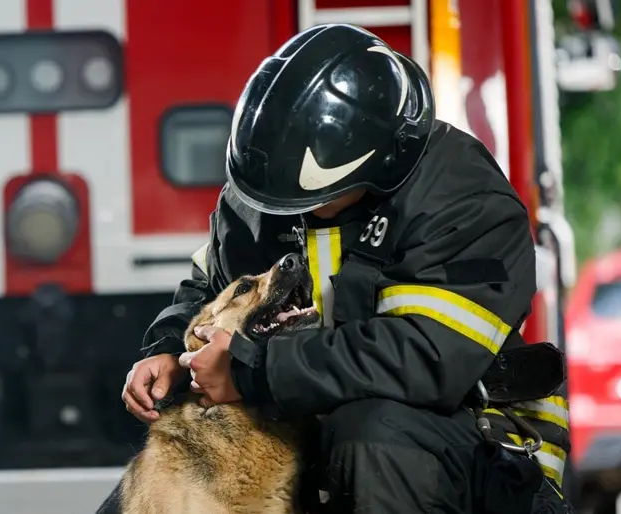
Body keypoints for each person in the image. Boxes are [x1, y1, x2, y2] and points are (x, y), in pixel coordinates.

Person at [117, 24, 572, 514]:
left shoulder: (461, 197)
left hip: (472, 440)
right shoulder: (270, 194)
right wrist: (168, 350)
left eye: (314, 199)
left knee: (373, 436)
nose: (295, 213)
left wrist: (251, 373)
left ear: (376, 165)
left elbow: (422, 358)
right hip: (313, 428)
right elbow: (212, 285)